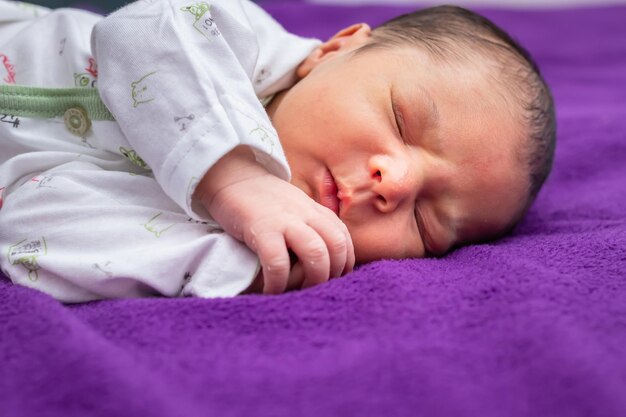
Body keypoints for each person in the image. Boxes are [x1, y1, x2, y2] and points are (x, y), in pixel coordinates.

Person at [0, 0, 555, 302]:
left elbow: (30, 230)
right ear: (335, 50)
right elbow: (138, 30)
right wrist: (233, 178)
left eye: (427, 224)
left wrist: (251, 264)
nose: (397, 182)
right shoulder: (236, 38)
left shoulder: (226, 246)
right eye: (402, 121)